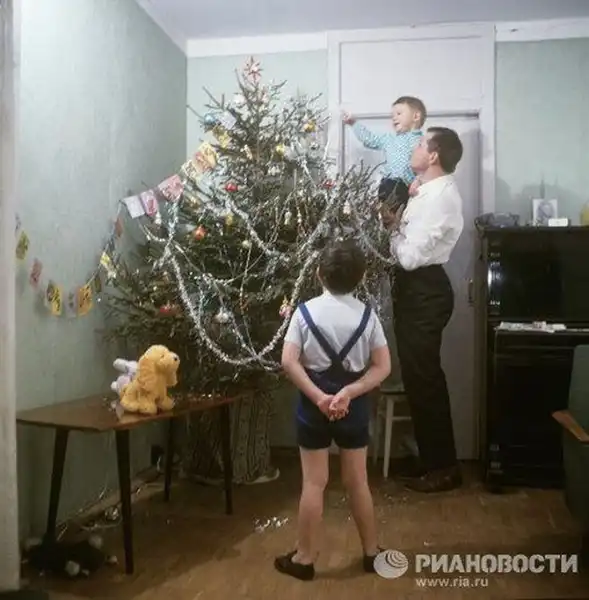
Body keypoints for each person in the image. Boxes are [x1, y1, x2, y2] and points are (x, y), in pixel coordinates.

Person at [274, 240, 391, 581]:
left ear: (318, 274)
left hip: (313, 409)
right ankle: (371, 553)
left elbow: (288, 361)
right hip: (353, 407)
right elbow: (383, 366)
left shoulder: (304, 312)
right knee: (357, 482)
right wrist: (350, 392)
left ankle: (304, 559)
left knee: (314, 483)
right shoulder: (367, 316)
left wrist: (319, 397)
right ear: (361, 277)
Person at [382, 126, 464, 493]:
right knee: (418, 380)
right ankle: (433, 460)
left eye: (418, 143)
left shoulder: (439, 197)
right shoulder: (424, 191)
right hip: (416, 292)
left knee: (425, 380)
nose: (412, 148)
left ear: (433, 155)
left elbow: (410, 258)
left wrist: (393, 230)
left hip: (424, 291)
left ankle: (443, 468)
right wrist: (396, 223)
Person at [342, 96, 426, 201]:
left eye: (399, 114)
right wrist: (354, 123)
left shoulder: (422, 142)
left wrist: (418, 180)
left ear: (416, 116)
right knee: (384, 206)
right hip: (387, 184)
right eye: (392, 116)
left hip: (406, 186)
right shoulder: (389, 139)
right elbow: (369, 139)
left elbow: (426, 166)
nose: (394, 118)